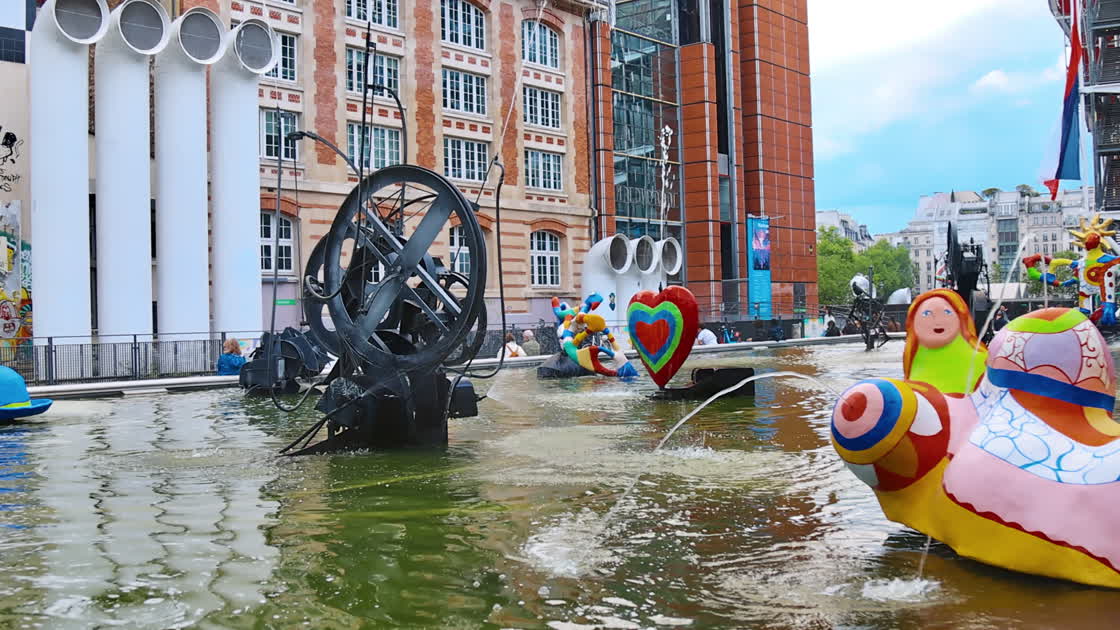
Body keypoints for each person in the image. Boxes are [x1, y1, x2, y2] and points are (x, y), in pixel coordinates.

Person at [903, 288, 988, 395]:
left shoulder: (981, 359)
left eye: (947, 312)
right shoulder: (914, 355)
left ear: (961, 318)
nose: (938, 321)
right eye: (927, 314)